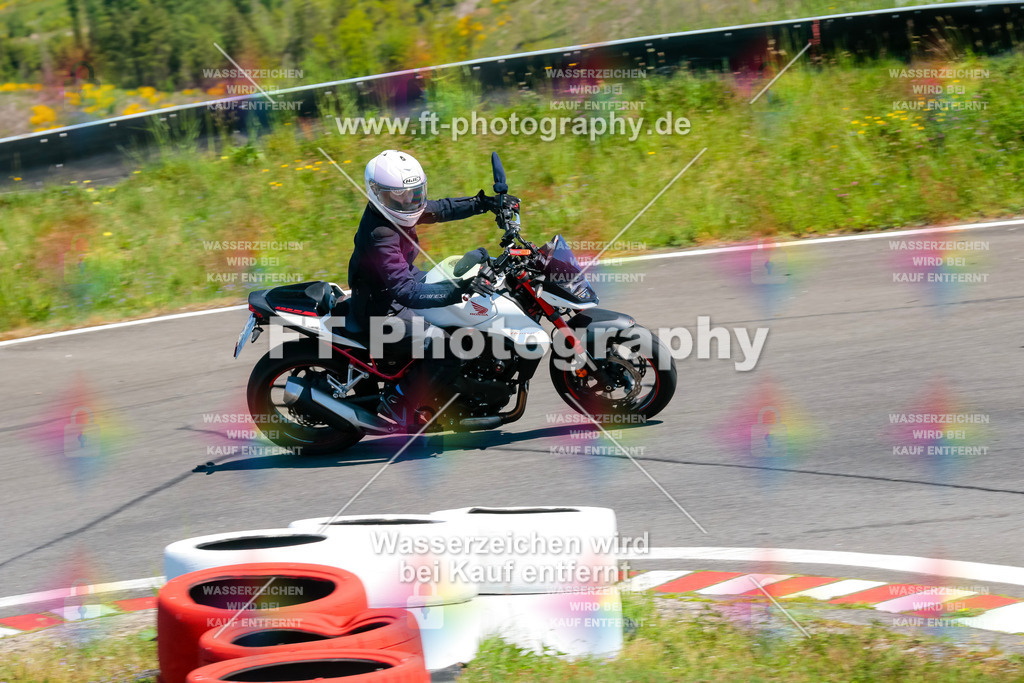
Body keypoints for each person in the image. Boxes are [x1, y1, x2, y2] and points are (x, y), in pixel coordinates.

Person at [346, 149, 517, 427]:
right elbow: (405, 292)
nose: (408, 201)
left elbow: (441, 209)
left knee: (460, 314)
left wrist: (485, 203)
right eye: (398, 196)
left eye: (414, 193)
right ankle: (399, 404)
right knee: (446, 348)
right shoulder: (381, 233)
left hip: (399, 287)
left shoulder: (400, 206)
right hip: (383, 311)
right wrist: (460, 289)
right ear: (377, 193)